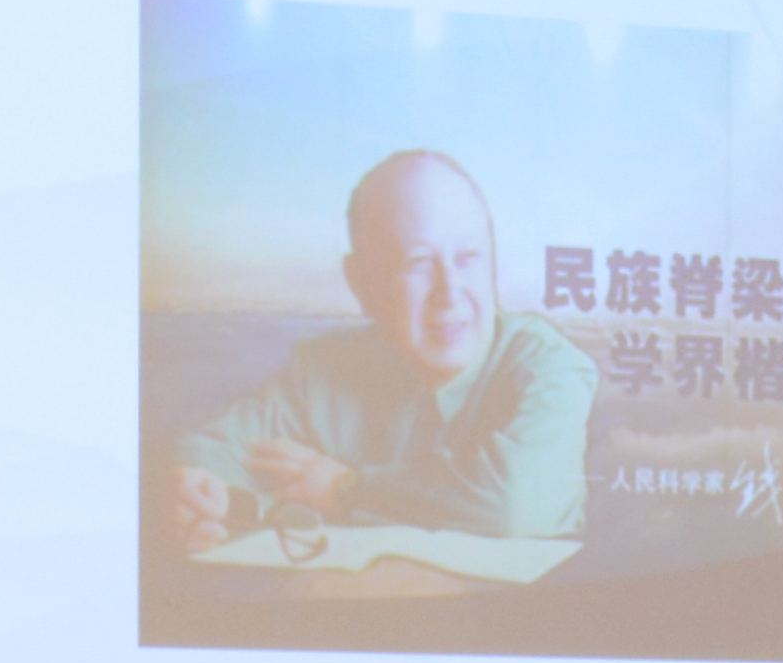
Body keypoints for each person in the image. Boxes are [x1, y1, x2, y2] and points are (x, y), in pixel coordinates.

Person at [169, 150, 594, 551]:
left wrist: (345, 490)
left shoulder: (549, 367)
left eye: (468, 259)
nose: (450, 294)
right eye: (419, 263)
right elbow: (215, 455)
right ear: (361, 282)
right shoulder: (322, 372)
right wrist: (198, 494)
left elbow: (515, 509)